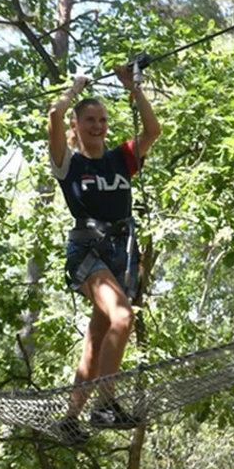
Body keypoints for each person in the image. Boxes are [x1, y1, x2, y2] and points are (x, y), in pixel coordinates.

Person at [48, 66, 160, 435]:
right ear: (76, 127)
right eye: (90, 120)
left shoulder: (119, 160)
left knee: (97, 338)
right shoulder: (70, 164)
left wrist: (133, 88)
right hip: (87, 252)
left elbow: (152, 131)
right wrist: (76, 88)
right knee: (123, 317)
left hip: (119, 254)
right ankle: (105, 404)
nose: (98, 126)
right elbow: (54, 114)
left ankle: (70, 418)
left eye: (103, 120)